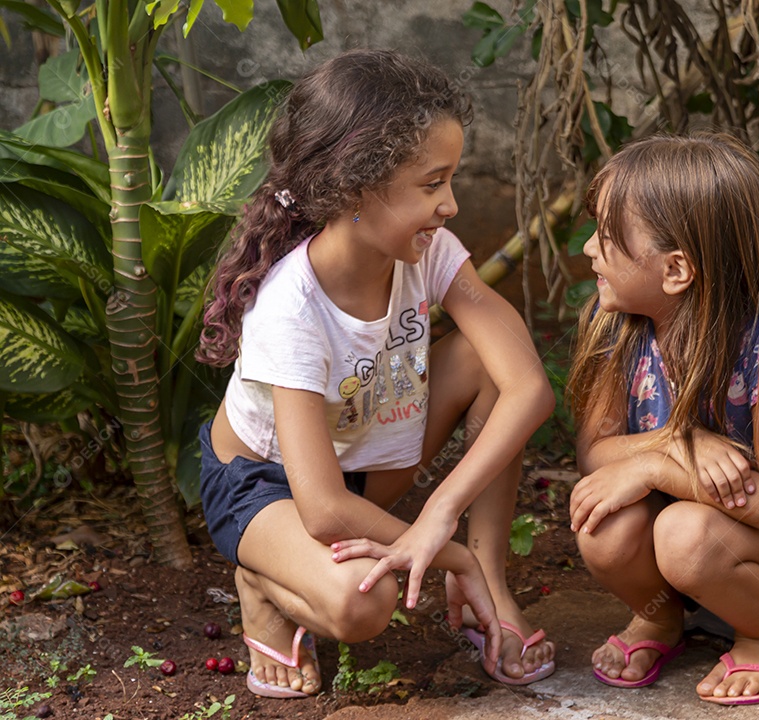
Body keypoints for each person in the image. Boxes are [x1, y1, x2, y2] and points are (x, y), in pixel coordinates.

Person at [196, 49, 557, 699]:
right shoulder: (291, 308)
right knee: (363, 603)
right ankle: (259, 581)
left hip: (366, 459)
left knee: (491, 369)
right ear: (358, 186)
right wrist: (446, 551)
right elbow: (327, 510)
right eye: (432, 183)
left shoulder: (430, 253)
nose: (449, 204)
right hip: (268, 488)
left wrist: (440, 515)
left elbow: (529, 387)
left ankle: (491, 585)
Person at [567, 133, 759, 705]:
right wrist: (676, 443)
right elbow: (595, 454)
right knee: (601, 525)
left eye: (606, 236)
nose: (588, 250)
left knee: (685, 535)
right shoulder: (614, 330)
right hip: (685, 522)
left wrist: (660, 470)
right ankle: (661, 618)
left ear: (676, 270)